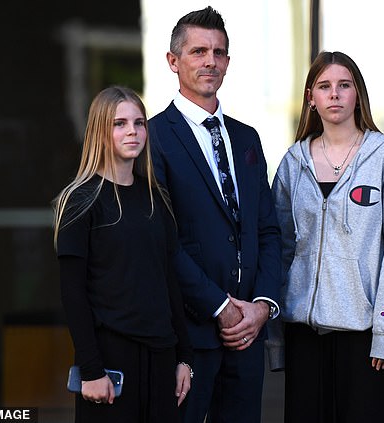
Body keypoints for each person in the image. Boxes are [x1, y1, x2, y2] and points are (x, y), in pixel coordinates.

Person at [147, 6, 282, 423]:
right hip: (189, 335)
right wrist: (220, 306)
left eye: (219, 52)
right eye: (198, 51)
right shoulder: (153, 137)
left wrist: (262, 306)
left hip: (248, 334)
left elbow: (268, 231)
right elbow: (162, 240)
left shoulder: (247, 138)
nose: (210, 61)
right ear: (173, 61)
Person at [269, 51, 384, 423]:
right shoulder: (292, 164)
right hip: (304, 332)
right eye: (324, 86)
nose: (334, 94)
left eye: (344, 85)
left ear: (357, 95)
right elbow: (281, 249)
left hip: (365, 334)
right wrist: (276, 339)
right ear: (311, 98)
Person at [53, 86, 193, 423]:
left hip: (162, 360)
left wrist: (183, 359)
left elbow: (169, 283)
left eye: (139, 122)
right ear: (101, 131)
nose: (132, 131)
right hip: (110, 362)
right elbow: (73, 294)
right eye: (120, 123)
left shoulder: (155, 198)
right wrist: (91, 370)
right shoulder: (81, 200)